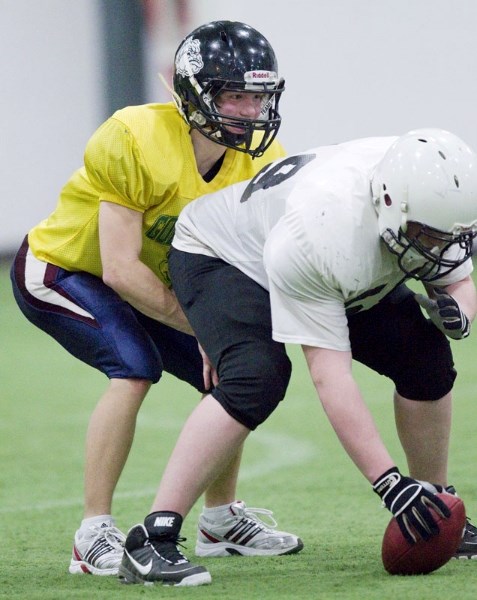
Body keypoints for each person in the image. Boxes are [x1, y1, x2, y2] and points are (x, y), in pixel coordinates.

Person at [118, 128, 477, 586]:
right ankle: (151, 537)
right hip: (226, 256)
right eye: (428, 236)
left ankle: (436, 502)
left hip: (339, 255)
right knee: (256, 377)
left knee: (426, 359)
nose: (437, 247)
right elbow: (330, 376)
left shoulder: (427, 195)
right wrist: (388, 484)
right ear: (390, 204)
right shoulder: (325, 234)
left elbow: (457, 278)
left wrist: (460, 313)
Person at [9, 20, 304, 577]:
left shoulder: (262, 162)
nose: (248, 110)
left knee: (227, 373)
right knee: (134, 365)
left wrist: (224, 336)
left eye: (257, 96)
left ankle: (220, 520)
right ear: (194, 93)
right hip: (65, 268)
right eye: (234, 95)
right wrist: (204, 330)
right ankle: (92, 531)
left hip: (148, 280)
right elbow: (118, 268)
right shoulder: (134, 136)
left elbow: (243, 261)